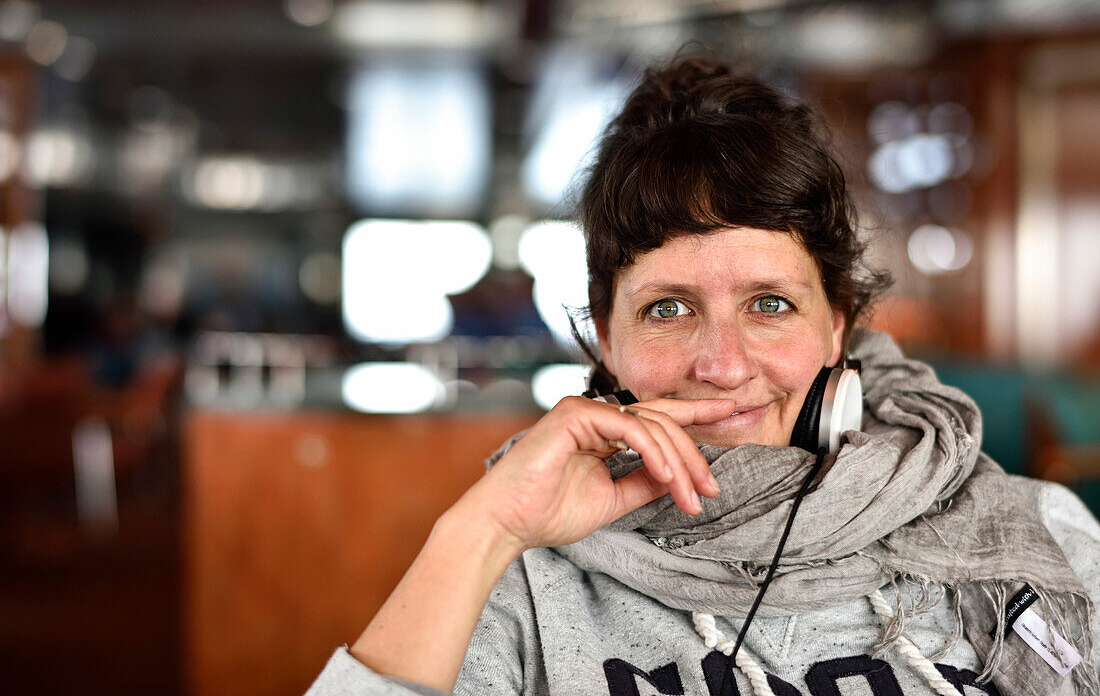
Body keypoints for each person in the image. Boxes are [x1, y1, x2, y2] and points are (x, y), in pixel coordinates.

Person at [308, 57, 1100, 696]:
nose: (721, 366)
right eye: (667, 310)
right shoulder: (516, 582)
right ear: (604, 337)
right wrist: (479, 533)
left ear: (837, 325)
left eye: (769, 303)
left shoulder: (1035, 537)